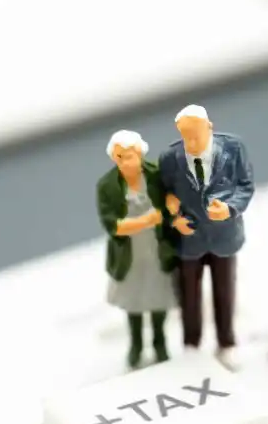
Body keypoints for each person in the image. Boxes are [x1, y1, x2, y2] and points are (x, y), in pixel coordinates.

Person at [158, 105, 255, 370]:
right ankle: (191, 343)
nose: (191, 141)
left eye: (196, 134)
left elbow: (245, 186)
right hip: (189, 238)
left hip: (224, 235)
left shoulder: (233, 149)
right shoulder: (170, 158)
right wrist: (174, 218)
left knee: (224, 290)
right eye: (185, 135)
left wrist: (229, 208)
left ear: (209, 127)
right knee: (188, 295)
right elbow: (163, 194)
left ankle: (226, 342)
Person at [96, 130, 178, 369]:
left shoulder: (157, 174)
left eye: (129, 156)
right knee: (133, 302)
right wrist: (147, 220)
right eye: (119, 157)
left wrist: (172, 206)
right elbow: (113, 225)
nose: (125, 162)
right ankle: (136, 344)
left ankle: (160, 342)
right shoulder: (108, 187)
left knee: (158, 297)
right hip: (129, 255)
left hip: (156, 250)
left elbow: (173, 201)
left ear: (140, 154)